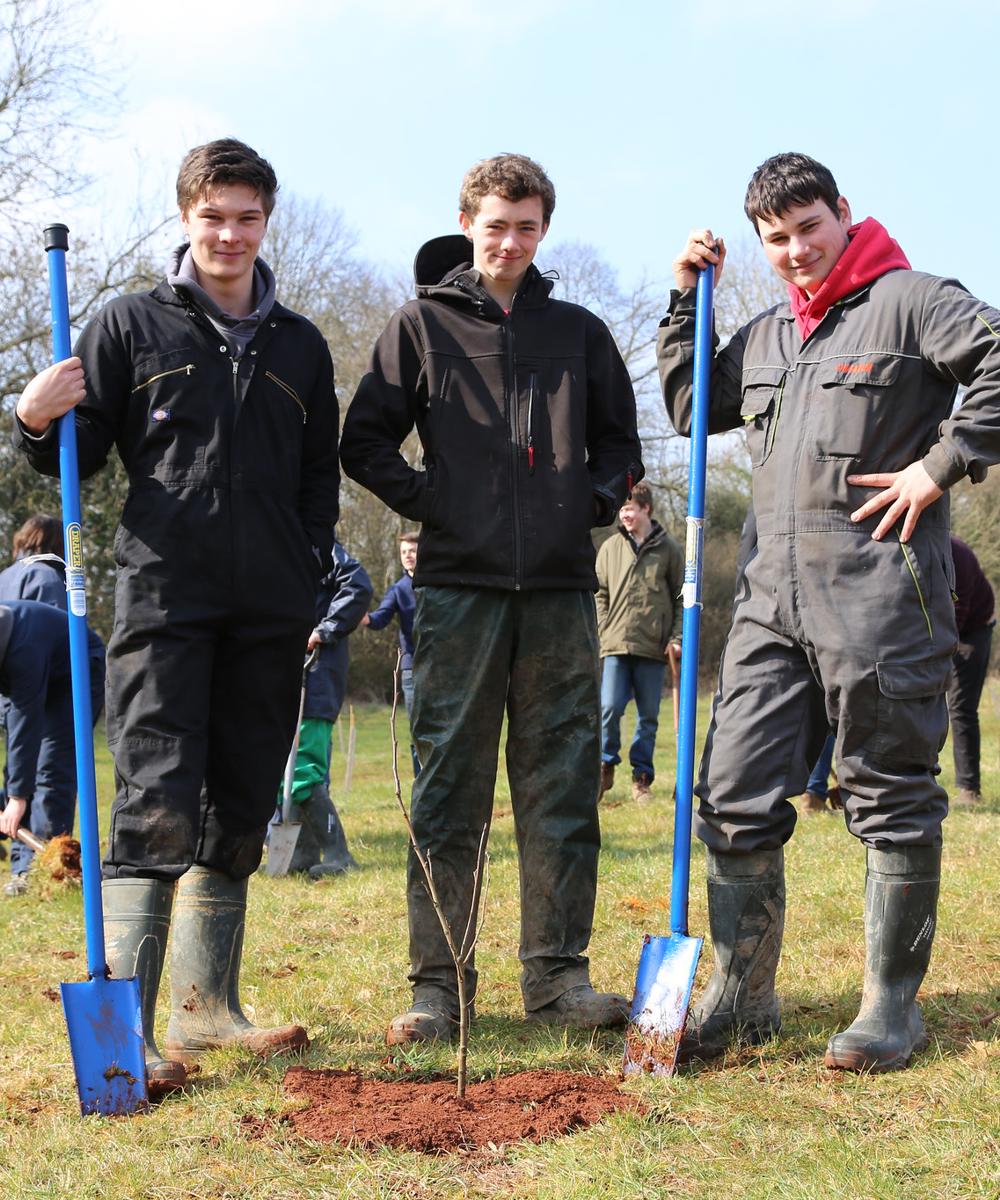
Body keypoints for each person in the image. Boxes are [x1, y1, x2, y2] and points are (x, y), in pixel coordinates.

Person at [659, 152, 1000, 1073]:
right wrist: (685, 301)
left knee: (888, 792)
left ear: (842, 213)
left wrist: (944, 463)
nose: (797, 251)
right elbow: (694, 404)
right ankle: (745, 996)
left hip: (881, 591)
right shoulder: (770, 333)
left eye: (809, 228)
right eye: (776, 240)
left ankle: (891, 1009)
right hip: (771, 599)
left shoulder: (914, 300)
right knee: (731, 792)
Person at [13, 138, 339, 1095]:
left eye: (246, 217)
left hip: (271, 607)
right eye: (213, 217)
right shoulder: (129, 326)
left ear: (265, 221)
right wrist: (34, 419)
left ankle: (210, 1010)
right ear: (186, 221)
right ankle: (131, 1036)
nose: (229, 234)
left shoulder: (303, 346)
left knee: (240, 798)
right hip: (164, 595)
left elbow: (317, 477)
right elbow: (67, 455)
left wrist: (308, 563)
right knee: (153, 800)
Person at [340, 153, 643, 1043]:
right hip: (456, 594)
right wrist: (441, 506)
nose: (510, 241)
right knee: (449, 793)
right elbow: (364, 442)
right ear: (467, 224)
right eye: (495, 225)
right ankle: (439, 987)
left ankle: (557, 980)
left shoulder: (580, 333)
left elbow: (620, 445)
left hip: (556, 595)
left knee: (560, 792)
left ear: (545, 229)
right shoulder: (420, 327)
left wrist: (579, 510)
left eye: (527, 226)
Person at [0, 515, 106, 891]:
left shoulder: (8, 577)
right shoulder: (45, 578)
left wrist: (16, 795)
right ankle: (24, 859)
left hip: (67, 676)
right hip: (27, 671)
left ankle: (37, 869)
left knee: (50, 764)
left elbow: (26, 715)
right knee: (33, 768)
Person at [272, 540, 372, 876]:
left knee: (302, 771)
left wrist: (323, 630)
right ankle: (302, 855)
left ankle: (339, 855)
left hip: (314, 674)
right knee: (283, 770)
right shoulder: (275, 546)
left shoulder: (320, 547)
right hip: (284, 675)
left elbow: (358, 586)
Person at [595, 482, 683, 803]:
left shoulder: (670, 550)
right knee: (609, 707)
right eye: (622, 508)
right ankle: (605, 765)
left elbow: (679, 600)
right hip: (616, 644)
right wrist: (604, 629)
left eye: (630, 508)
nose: (624, 514)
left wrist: (675, 638)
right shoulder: (609, 549)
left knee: (648, 718)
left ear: (646, 509)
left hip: (653, 648)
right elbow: (599, 595)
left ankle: (641, 778)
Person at [362, 531, 420, 775]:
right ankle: (423, 787)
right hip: (412, 667)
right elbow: (380, 617)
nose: (408, 556)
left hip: (443, 665)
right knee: (419, 729)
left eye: (412, 551)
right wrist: (361, 617)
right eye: (404, 552)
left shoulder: (439, 584)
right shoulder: (398, 589)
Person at [947, 536, 995, 808]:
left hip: (973, 629)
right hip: (940, 627)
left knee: (961, 706)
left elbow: (956, 614)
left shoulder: (958, 555)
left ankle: (969, 789)